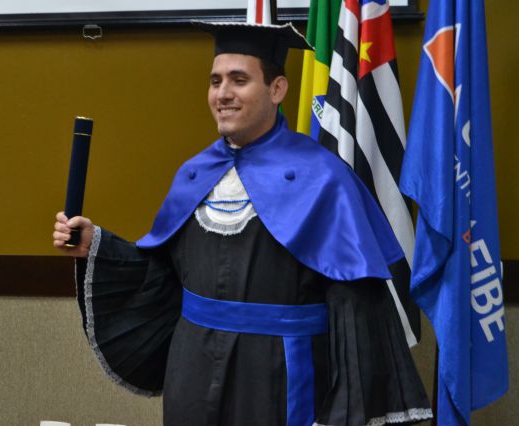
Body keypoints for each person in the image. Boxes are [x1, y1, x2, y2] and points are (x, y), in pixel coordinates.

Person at [53, 22, 432, 426]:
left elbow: (355, 309)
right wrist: (97, 244)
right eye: (215, 81)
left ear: (277, 89)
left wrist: (342, 412)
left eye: (239, 80)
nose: (223, 94)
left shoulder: (324, 179)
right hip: (193, 369)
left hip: (282, 376)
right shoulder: (194, 173)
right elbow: (163, 276)